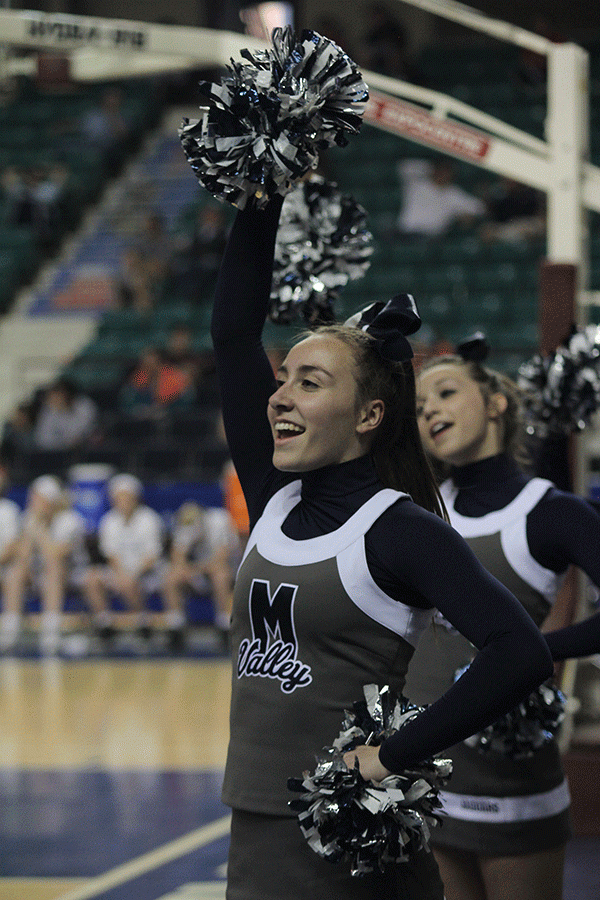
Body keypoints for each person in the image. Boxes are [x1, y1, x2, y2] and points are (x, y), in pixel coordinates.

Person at [209, 193, 553, 900]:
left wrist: (394, 755)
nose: (279, 397)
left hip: (348, 851)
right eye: (283, 381)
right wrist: (262, 186)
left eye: (310, 382)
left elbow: (522, 652)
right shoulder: (273, 499)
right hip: (252, 829)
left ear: (370, 414)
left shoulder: (400, 530)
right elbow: (232, 335)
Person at [409, 342, 600, 900]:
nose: (430, 412)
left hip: (510, 776)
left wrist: (538, 651)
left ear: (495, 404)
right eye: (419, 407)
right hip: (425, 771)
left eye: (446, 394)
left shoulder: (549, 512)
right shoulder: (415, 512)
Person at [0, 475, 87, 655]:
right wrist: (31, 533)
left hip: (71, 576)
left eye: (38, 499)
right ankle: (11, 626)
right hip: (39, 575)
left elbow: (55, 555)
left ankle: (51, 628)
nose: (33, 503)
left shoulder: (70, 521)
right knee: (16, 570)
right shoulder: (28, 519)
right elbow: (22, 555)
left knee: (53, 568)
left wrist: (39, 531)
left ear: (50, 502)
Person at [83, 474, 164, 645]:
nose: (122, 501)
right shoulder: (109, 521)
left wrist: (132, 574)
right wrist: (122, 574)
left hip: (148, 573)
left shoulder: (149, 519)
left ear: (135, 498)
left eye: (126, 497)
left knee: (128, 581)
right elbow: (111, 555)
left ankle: (143, 622)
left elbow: (152, 556)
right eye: (118, 497)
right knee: (92, 578)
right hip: (120, 572)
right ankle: (104, 624)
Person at [161, 500, 239, 651]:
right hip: (199, 570)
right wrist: (186, 570)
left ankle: (224, 625)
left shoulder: (219, 520)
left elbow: (221, 560)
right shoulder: (185, 525)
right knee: (171, 578)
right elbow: (177, 557)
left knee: (220, 576)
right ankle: (176, 626)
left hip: (227, 569)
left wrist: (193, 569)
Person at [396, 157, 486, 240]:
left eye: (448, 172)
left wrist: (467, 215)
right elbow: (404, 166)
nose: (444, 175)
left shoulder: (454, 193)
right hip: (405, 234)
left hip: (431, 239)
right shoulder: (417, 184)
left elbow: (479, 208)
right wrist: (430, 168)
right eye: (441, 171)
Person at [33, 378, 98, 452]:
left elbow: (88, 428)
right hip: (58, 453)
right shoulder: (48, 411)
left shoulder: (84, 404)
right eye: (52, 397)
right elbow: (42, 439)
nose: (55, 400)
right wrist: (64, 443)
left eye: (58, 395)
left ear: (66, 394)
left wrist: (73, 441)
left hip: (87, 449)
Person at [0, 465, 22, 649]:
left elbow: (12, 547)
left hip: (4, 566)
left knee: (13, 574)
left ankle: (11, 629)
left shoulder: (8, 510)